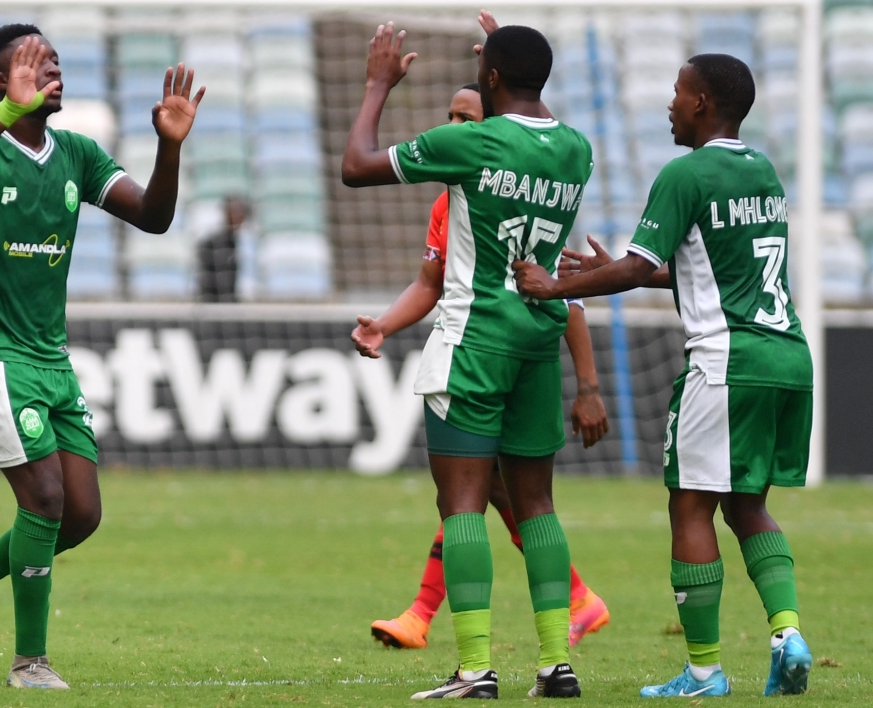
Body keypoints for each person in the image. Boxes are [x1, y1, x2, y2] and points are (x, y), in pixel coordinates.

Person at [0, 25, 204, 690]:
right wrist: (3, 115)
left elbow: (154, 216)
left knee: (81, 514)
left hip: (50, 356)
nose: (52, 72)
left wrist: (168, 147)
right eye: (32, 64)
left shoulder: (76, 154)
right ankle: (29, 663)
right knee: (42, 499)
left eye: (56, 62)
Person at [513, 54, 813, 699]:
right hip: (786, 355)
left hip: (726, 361)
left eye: (678, 93)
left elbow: (632, 269)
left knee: (690, 504)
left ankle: (704, 671)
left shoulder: (686, 173)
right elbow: (701, 268)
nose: (669, 105)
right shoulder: (760, 170)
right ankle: (788, 633)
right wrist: (614, 268)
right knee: (748, 504)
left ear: (702, 102)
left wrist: (558, 283)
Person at [342, 17, 594, 699]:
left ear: (488, 79)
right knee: (537, 505)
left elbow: (357, 166)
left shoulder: (473, 142)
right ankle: (554, 665)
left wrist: (376, 85)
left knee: (461, 506)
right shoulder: (576, 148)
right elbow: (534, 116)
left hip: (474, 341)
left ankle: (476, 669)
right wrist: (504, 58)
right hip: (540, 344)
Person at [197, 195, 246, 302]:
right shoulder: (212, 244)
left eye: (240, 212)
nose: (237, 216)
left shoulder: (243, 241)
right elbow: (207, 284)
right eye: (232, 212)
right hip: (219, 310)